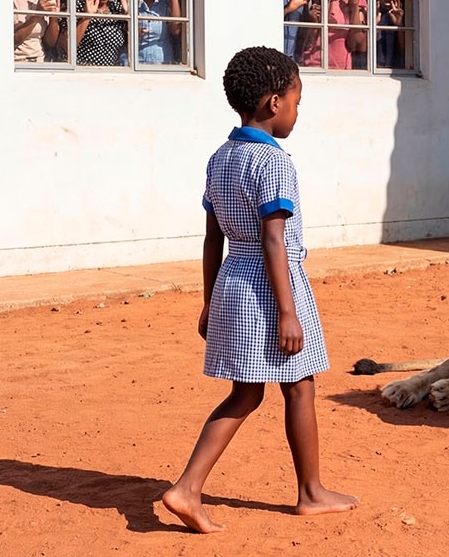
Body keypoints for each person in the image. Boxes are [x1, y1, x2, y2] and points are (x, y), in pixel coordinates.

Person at [162, 46, 358, 533]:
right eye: (296, 101)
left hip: (233, 281)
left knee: (247, 393)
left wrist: (209, 302)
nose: (297, 111)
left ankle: (190, 487)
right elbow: (274, 240)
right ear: (274, 102)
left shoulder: (221, 157)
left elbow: (213, 238)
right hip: (271, 286)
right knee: (300, 385)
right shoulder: (273, 162)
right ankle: (308, 492)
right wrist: (288, 312)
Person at [299, 0, 367, 70]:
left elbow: (356, 43)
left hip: (340, 65)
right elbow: (316, 29)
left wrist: (354, 6)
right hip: (314, 61)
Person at [67, 0, 129, 66]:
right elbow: (66, 45)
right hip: (81, 70)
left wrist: (128, 14)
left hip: (110, 71)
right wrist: (87, 16)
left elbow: (133, 42)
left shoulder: (116, 7)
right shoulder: (78, 6)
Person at [375, 0, 405, 69]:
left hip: (397, 68)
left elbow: (404, 48)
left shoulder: (402, 14)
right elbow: (365, 47)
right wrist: (374, 24)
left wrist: (399, 25)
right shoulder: (373, 13)